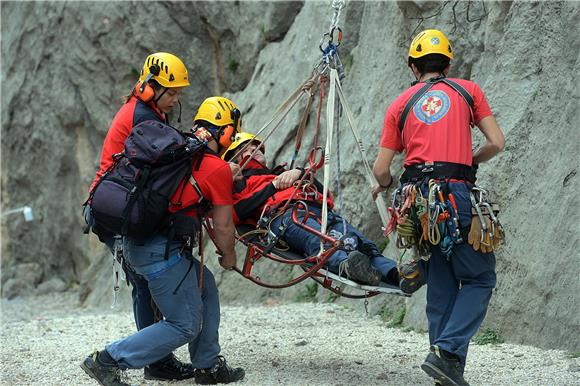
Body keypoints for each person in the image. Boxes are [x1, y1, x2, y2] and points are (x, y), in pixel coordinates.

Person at [371, 29, 505, 386]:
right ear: (448, 63)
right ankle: (446, 354)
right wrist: (468, 162)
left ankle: (444, 368)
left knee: (442, 284)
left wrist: (381, 185)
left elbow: (382, 170)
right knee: (480, 277)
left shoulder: (399, 105)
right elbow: (497, 142)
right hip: (455, 195)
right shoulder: (468, 91)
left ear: (414, 68)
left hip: (416, 202)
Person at [81, 96, 245, 386]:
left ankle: (207, 366)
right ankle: (107, 360)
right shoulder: (216, 168)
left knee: (204, 285)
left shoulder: (177, 150)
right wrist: (229, 257)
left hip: (136, 244)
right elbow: (223, 226)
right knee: (184, 324)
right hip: (158, 253)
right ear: (228, 133)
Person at [86, 52, 195, 381]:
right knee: (144, 285)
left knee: (143, 287)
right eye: (172, 92)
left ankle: (156, 360)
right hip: (117, 207)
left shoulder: (146, 111)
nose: (176, 99)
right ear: (151, 87)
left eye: (177, 93)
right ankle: (150, 360)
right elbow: (167, 158)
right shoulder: (143, 117)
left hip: (112, 204)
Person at [223, 132, 421, 290]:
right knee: (322, 246)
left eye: (255, 146)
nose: (254, 150)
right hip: (285, 217)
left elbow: (323, 192)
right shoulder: (240, 183)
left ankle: (396, 274)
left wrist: (300, 172)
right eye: (245, 149)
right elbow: (236, 213)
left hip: (320, 211)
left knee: (362, 244)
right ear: (235, 160)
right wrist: (273, 187)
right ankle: (348, 266)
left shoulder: (283, 173)